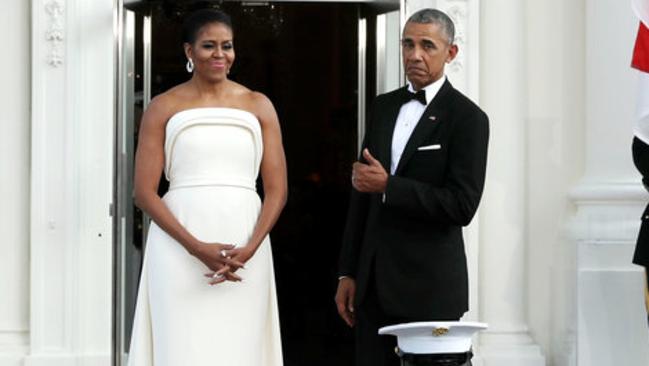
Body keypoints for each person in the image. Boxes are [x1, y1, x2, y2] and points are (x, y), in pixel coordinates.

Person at [127, 9, 286, 366]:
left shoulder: (258, 105)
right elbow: (143, 192)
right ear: (189, 51)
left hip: (246, 246)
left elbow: (277, 190)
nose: (219, 54)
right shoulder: (163, 106)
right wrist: (195, 247)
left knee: (239, 345)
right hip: (177, 248)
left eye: (226, 46)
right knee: (182, 344)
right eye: (208, 46)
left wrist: (250, 248)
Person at [335, 8, 489, 366]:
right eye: (408, 43)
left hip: (429, 288)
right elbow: (363, 194)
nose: (414, 54)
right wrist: (349, 270)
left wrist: (390, 185)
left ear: (450, 53)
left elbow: (462, 205)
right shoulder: (383, 106)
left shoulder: (468, 119)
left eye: (427, 45)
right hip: (373, 285)